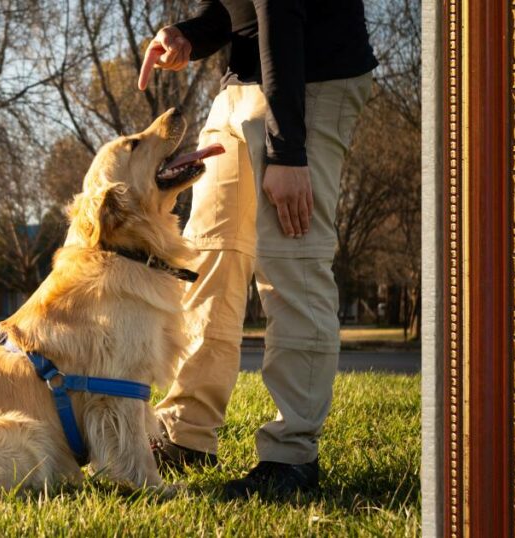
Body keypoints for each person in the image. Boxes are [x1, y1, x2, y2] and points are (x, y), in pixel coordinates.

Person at [137, 0, 377, 499]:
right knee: (208, 257)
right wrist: (188, 36)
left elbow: (282, 8)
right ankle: (186, 433)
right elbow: (232, 11)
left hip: (309, 83)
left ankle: (291, 456)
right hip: (240, 86)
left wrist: (288, 152)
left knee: (292, 264)